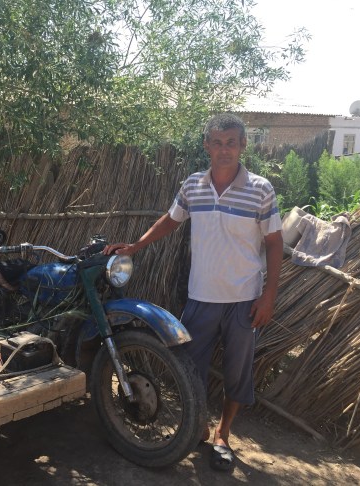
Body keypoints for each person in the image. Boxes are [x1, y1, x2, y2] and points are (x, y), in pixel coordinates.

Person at [103, 113, 283, 472]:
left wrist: (268, 296)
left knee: (237, 372)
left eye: (231, 142)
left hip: (245, 298)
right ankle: (199, 426)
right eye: (217, 143)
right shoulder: (193, 186)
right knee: (189, 367)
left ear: (243, 145)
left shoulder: (260, 189)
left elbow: (275, 242)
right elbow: (171, 220)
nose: (224, 150)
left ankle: (223, 434)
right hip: (201, 296)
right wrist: (135, 247)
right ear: (206, 146)